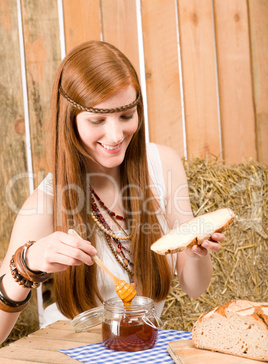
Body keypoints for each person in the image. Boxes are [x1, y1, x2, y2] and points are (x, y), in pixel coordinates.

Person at [0, 41, 224, 343]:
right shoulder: (44, 205)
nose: (116, 135)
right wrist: (26, 263)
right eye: (97, 120)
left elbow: (195, 288)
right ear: (69, 121)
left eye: (126, 116)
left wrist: (196, 252)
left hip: (139, 354)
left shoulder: (163, 165)